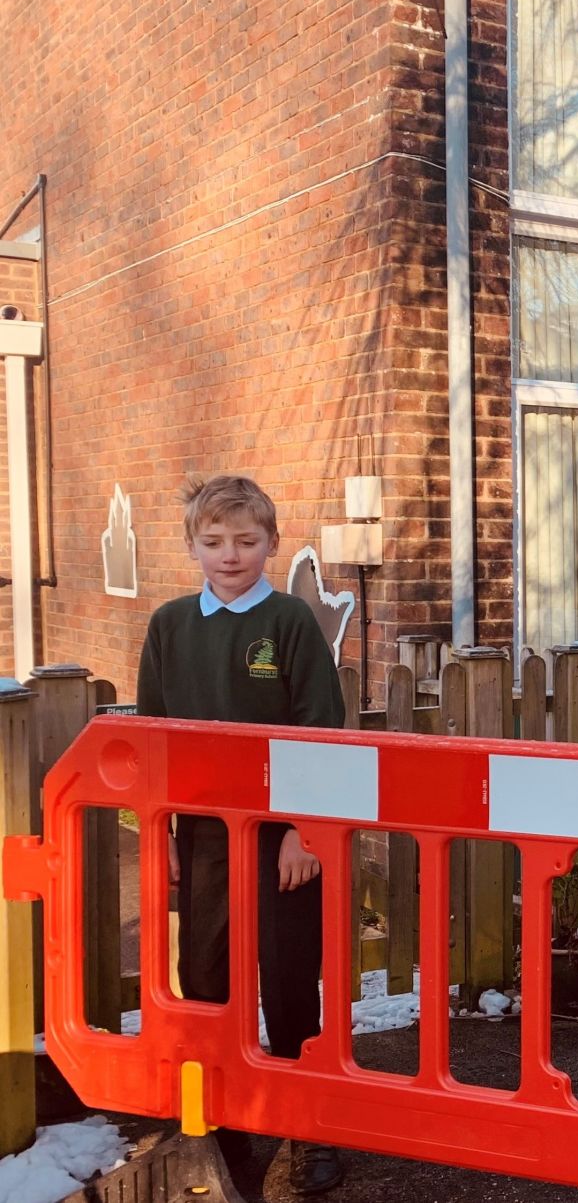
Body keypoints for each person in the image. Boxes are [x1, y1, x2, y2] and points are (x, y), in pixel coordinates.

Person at [139, 474, 347, 1195]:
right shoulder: (169, 625)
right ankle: (228, 1128)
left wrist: (302, 831)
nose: (231, 555)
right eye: (215, 541)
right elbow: (154, 739)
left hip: (275, 840)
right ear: (193, 544)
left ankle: (311, 1127)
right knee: (207, 983)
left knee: (289, 981)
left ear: (271, 543)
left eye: (247, 541)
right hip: (201, 841)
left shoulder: (291, 621)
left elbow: (321, 730)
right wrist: (159, 831)